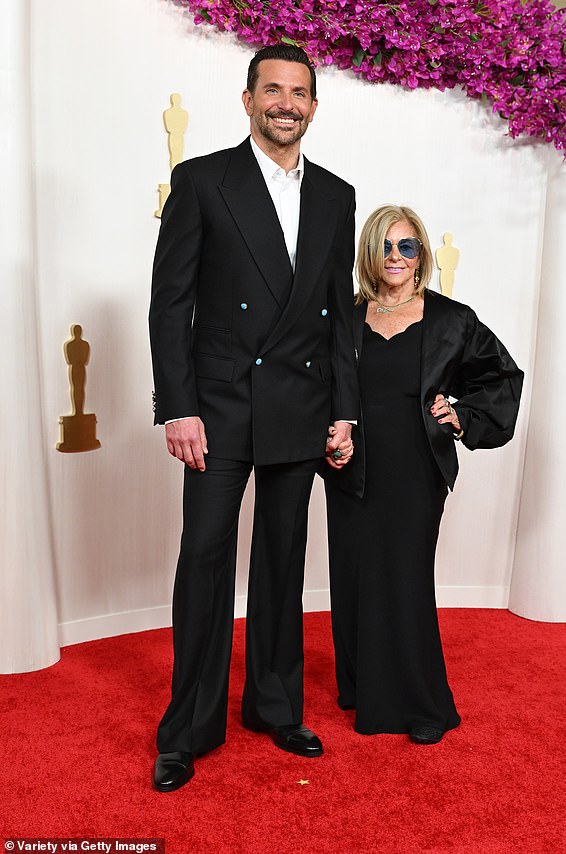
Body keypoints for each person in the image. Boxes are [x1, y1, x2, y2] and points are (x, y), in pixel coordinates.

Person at [149, 44, 358, 792]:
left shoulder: (336, 194)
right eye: (272, 89)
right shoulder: (203, 180)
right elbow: (171, 304)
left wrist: (345, 413)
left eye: (299, 92)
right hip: (220, 409)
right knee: (204, 560)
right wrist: (177, 405)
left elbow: (338, 317)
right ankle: (188, 728)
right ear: (247, 100)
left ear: (312, 105)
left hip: (300, 408)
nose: (286, 103)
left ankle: (275, 705)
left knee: (281, 563)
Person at [324, 205, 523, 745]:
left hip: (417, 468)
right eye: (386, 246)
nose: (396, 256)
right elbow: (318, 386)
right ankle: (363, 688)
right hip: (353, 468)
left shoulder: (450, 319)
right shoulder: (345, 315)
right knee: (356, 575)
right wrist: (329, 436)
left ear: (421, 255)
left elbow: (502, 375)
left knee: (406, 578)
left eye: (406, 246)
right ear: (370, 253)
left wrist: (462, 416)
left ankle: (421, 703)